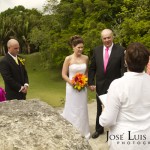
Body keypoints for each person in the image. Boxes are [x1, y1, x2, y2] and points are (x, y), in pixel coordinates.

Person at [99, 42, 150, 150]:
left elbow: (107, 121)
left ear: (126, 62)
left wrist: (104, 110)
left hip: (123, 141)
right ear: (146, 62)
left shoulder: (117, 85)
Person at [88, 29, 126, 138]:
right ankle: (99, 130)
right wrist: (91, 82)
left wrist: (123, 83)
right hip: (100, 84)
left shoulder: (120, 50)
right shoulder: (96, 50)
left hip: (115, 85)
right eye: (104, 38)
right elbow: (92, 68)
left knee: (118, 108)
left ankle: (118, 130)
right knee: (100, 108)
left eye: (108, 37)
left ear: (112, 37)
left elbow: (122, 69)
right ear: (102, 39)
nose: (107, 40)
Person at [61, 35, 90, 139]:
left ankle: (83, 130)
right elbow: (64, 74)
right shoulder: (68, 58)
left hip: (82, 88)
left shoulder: (86, 58)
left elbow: (86, 72)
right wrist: (72, 82)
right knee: (72, 107)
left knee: (82, 108)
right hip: (71, 87)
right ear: (73, 47)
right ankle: (71, 130)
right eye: (79, 47)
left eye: (82, 47)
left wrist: (84, 82)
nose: (81, 49)